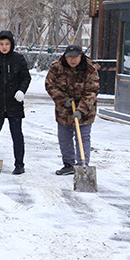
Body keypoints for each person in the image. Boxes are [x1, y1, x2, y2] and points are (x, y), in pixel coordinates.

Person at [45, 45, 100, 175]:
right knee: (65, 138)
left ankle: (82, 165)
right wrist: (63, 99)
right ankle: (69, 164)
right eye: (69, 57)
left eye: (75, 57)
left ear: (81, 56)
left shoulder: (90, 69)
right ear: (65, 56)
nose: (72, 60)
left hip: (85, 110)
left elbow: (92, 91)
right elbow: (50, 85)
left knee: (83, 137)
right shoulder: (56, 67)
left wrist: (81, 110)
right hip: (64, 109)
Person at [0, 30, 31, 175]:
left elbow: (26, 77)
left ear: (11, 44)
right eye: (1, 44)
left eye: (7, 44)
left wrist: (21, 90)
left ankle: (19, 164)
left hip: (14, 102)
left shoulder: (18, 59)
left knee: (17, 134)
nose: (4, 47)